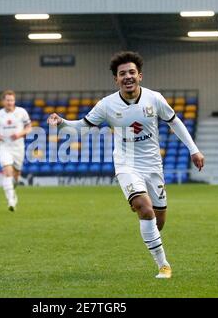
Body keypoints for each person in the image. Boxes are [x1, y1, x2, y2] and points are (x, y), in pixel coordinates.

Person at [47, 51, 205, 279]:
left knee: (158, 221)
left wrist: (194, 150)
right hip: (126, 165)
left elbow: (174, 122)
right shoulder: (107, 105)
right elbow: (82, 126)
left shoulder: (154, 98)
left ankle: (145, 221)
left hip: (153, 166)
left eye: (131, 72)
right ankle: (163, 265)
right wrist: (61, 124)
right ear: (116, 79)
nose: (127, 76)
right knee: (145, 208)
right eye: (122, 74)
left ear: (140, 76)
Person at [0, 90, 32, 212]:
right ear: (3, 101)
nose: (10, 102)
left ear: (14, 101)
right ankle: (11, 201)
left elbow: (29, 127)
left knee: (16, 177)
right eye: (7, 100)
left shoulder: (21, 112)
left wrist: (20, 134)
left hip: (18, 147)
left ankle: (13, 192)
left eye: (12, 100)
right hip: (4, 146)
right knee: (7, 172)